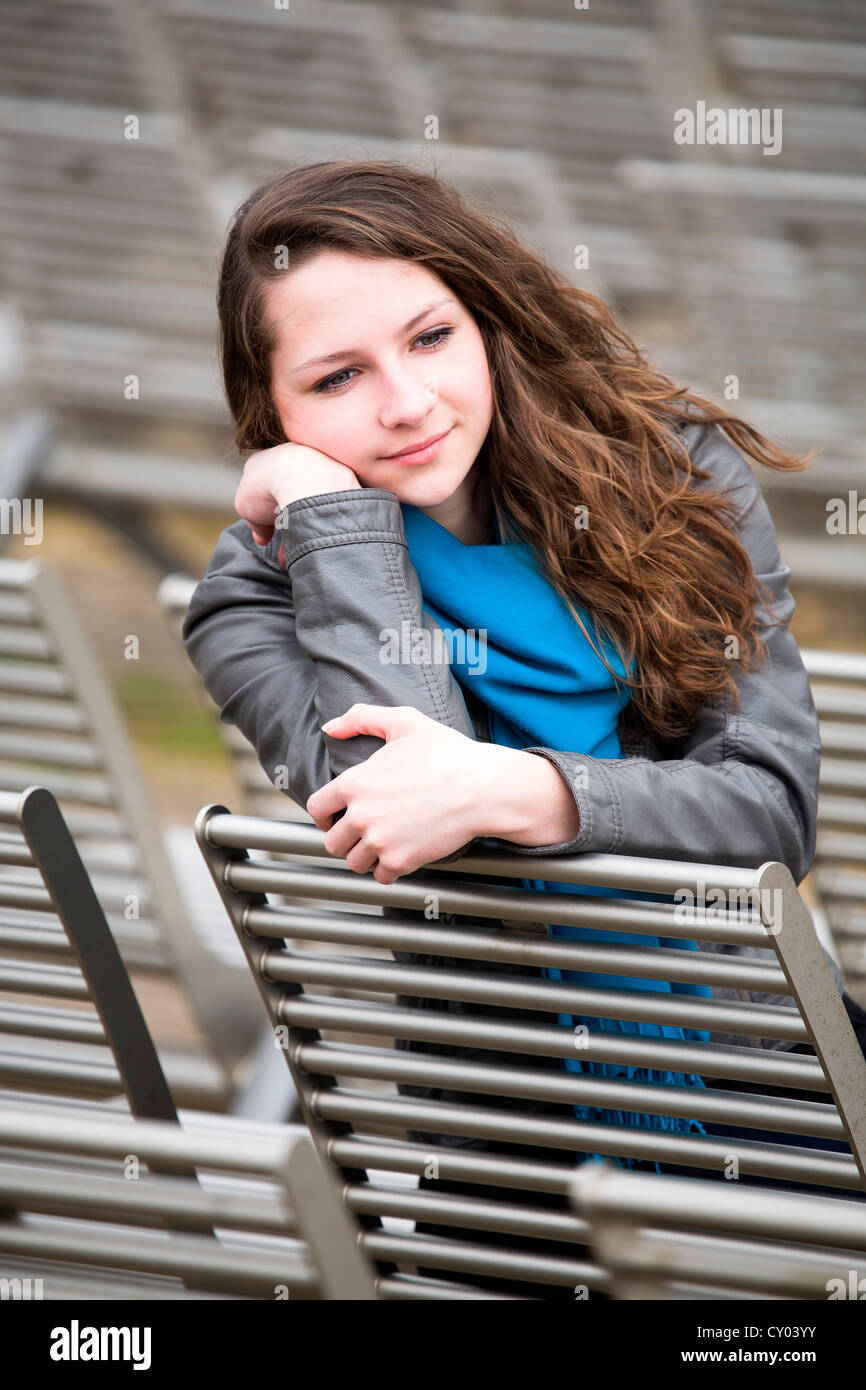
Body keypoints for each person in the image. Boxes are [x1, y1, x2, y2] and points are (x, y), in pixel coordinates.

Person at [182, 159, 858, 1298]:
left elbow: (769, 806)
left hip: (768, 1068)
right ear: (272, 418)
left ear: (485, 321)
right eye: (338, 375)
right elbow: (396, 805)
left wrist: (517, 789)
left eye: (431, 337)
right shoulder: (247, 604)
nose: (405, 402)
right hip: (503, 1138)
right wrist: (333, 524)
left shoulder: (667, 474)